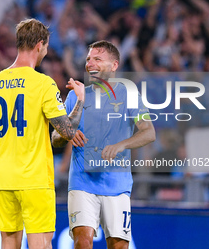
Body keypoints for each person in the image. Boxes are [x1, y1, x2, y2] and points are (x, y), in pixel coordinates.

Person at [0, 18, 85, 249]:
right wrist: (80, 101)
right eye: (46, 47)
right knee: (41, 244)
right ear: (39, 45)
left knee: (8, 242)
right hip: (34, 180)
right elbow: (65, 131)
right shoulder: (43, 84)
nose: (45, 51)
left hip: (3, 179)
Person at [52, 40, 156, 249]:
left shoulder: (129, 94)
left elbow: (149, 132)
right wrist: (68, 133)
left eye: (97, 59)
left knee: (119, 246)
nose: (90, 63)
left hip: (117, 186)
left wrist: (121, 145)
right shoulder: (75, 95)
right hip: (82, 183)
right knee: (83, 241)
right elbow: (55, 138)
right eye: (89, 59)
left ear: (114, 65)